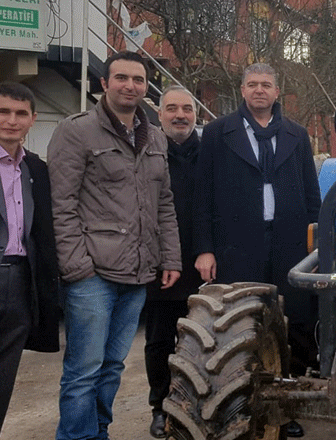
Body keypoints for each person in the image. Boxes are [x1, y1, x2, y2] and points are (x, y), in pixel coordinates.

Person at [48, 51, 182, 440]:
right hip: (93, 274)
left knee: (111, 366)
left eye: (138, 80)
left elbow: (165, 204)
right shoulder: (76, 131)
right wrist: (77, 267)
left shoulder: (155, 136)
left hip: (138, 272)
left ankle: (98, 432)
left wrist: (169, 257)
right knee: (83, 369)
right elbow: (62, 204)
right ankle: (76, 437)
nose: (130, 86)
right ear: (104, 84)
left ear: (146, 87)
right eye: (121, 78)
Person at [193, 63, 321, 438]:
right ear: (243, 90)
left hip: (290, 244)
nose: (259, 90)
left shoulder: (297, 135)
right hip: (237, 243)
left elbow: (312, 197)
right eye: (253, 84)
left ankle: (290, 407)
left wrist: (315, 248)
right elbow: (203, 196)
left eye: (266, 84)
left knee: (294, 326)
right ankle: (239, 408)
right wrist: (205, 249)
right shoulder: (218, 133)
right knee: (239, 330)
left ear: (276, 91)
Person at [142, 85, 202, 438]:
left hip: (203, 261)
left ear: (195, 114)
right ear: (160, 113)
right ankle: (161, 407)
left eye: (187, 109)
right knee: (161, 341)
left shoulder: (210, 152)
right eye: (172, 108)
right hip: (161, 262)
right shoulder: (149, 150)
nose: (180, 115)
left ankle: (195, 403)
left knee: (202, 341)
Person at [0, 82, 59, 431]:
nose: (11, 120)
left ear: (33, 119)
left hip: (21, 284)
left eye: (20, 113)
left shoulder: (36, 170)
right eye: (4, 112)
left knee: (4, 381)